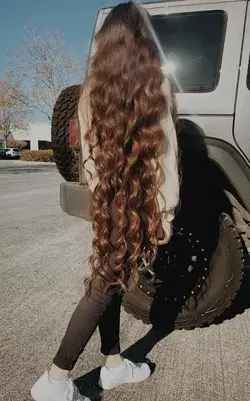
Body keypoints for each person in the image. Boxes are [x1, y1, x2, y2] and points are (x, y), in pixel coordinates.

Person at [31, 2, 180, 401]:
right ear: (141, 38)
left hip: (107, 201)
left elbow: (89, 158)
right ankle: (56, 379)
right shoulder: (155, 83)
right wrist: (165, 211)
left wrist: (102, 200)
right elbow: (165, 154)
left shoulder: (90, 90)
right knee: (103, 287)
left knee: (110, 282)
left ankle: (113, 365)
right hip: (138, 202)